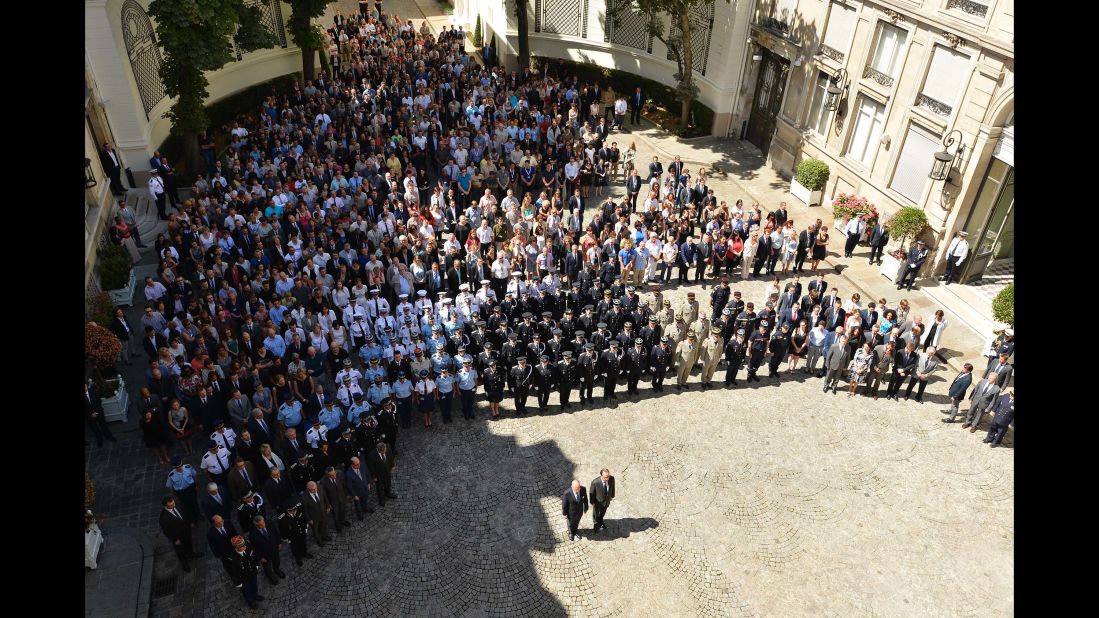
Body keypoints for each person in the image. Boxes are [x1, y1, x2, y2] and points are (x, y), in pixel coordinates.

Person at [159, 496, 202, 573]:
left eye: (173, 503)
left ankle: (191, 554)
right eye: (171, 505)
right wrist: (175, 539)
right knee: (180, 551)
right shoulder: (163, 518)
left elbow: (187, 513)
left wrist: (191, 522)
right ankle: (184, 564)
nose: (174, 505)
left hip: (186, 531)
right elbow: (167, 531)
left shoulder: (179, 505)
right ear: (165, 506)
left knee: (189, 543)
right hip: (177, 537)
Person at [222, 535, 264, 609]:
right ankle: (250, 601)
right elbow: (232, 572)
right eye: (242, 547)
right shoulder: (231, 558)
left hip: (252, 572)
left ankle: (255, 595)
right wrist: (237, 582)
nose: (245, 548)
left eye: (244, 546)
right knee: (246, 590)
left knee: (254, 584)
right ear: (236, 547)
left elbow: (254, 555)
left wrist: (257, 565)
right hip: (243, 578)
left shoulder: (248, 545)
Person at [248, 515, 286, 585]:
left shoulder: (270, 523)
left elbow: (276, 533)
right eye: (260, 525)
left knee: (277, 561)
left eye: (263, 523)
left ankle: (277, 570)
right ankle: (272, 577)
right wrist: (260, 557)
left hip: (274, 549)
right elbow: (254, 548)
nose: (263, 525)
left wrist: (279, 542)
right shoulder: (252, 534)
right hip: (264, 555)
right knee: (267, 568)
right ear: (256, 525)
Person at [277, 501, 313, 566]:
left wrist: (305, 527)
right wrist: (286, 538)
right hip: (292, 537)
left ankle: (304, 553)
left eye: (294, 509)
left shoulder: (299, 508)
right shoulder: (282, 518)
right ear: (287, 510)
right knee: (295, 548)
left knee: (303, 543)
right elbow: (282, 530)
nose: (293, 511)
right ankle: (298, 558)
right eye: (291, 510)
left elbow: (304, 519)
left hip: (301, 532)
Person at [319, 466, 351, 534]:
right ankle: (338, 526)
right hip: (333, 502)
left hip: (342, 497)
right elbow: (324, 495)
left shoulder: (339, 473)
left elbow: (344, 484)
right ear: (327, 475)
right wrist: (328, 504)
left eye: (334, 473)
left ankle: (343, 520)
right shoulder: (323, 482)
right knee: (336, 515)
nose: (334, 476)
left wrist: (347, 494)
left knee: (343, 510)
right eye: (332, 475)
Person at [85, 382, 117, 447]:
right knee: (95, 428)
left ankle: (109, 437)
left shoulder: (92, 391)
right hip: (89, 416)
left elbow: (98, 401)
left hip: (99, 412)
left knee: (103, 425)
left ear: (87, 386)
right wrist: (90, 414)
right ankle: (100, 440)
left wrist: (96, 412)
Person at [299, 480, 330, 547]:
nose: (315, 490)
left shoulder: (320, 488)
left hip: (323, 512)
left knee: (323, 525)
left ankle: (324, 536)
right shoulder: (304, 497)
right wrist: (309, 519)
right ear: (308, 489)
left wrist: (328, 506)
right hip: (313, 517)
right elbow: (305, 510)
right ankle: (319, 541)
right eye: (312, 490)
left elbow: (325, 497)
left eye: (315, 488)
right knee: (315, 530)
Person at [366, 441, 397, 506]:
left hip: (387, 470)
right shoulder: (371, 455)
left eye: (385, 450)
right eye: (384, 451)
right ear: (379, 451)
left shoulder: (387, 447)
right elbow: (371, 468)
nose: (385, 452)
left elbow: (390, 456)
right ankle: (381, 499)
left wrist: (392, 465)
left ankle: (387, 493)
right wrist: (374, 477)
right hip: (378, 474)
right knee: (379, 487)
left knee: (388, 483)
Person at [589, 469, 615, 533]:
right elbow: (591, 493)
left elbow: (613, 487)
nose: (607, 478)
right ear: (601, 475)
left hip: (606, 501)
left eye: (608, 476)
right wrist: (593, 503)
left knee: (603, 512)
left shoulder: (612, 478)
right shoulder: (595, 482)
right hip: (598, 502)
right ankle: (595, 524)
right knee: (596, 514)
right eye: (606, 477)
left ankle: (601, 520)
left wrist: (612, 496)